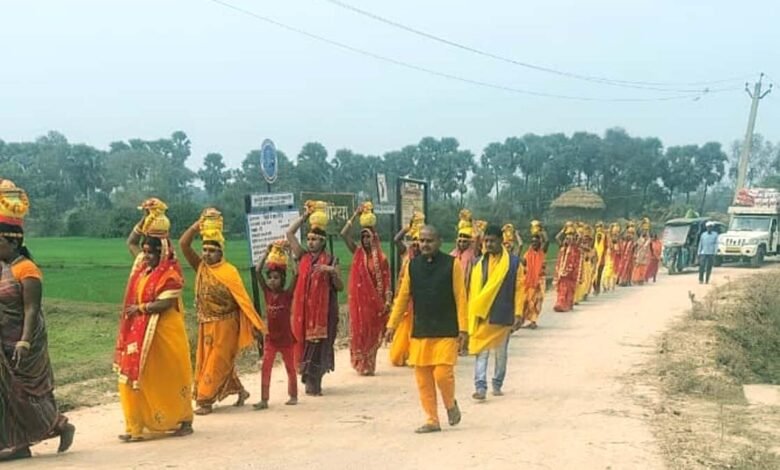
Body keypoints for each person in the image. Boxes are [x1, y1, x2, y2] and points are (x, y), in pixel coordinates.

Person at [0, 180, 75, 461]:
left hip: (23, 340)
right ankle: (18, 443)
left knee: (21, 393)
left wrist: (24, 341)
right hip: (3, 340)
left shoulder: (27, 270)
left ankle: (55, 426)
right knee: (7, 395)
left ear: (12, 241)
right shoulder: (3, 268)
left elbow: (32, 309)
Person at [115, 198, 193, 442]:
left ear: (162, 252)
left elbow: (166, 303)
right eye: (145, 251)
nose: (145, 255)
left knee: (169, 375)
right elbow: (131, 242)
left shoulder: (171, 272)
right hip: (139, 331)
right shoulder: (142, 266)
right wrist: (146, 220)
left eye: (151, 252)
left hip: (165, 333)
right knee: (135, 377)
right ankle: (135, 425)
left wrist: (140, 307)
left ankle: (183, 419)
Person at [179, 208, 267, 415]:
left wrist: (256, 327)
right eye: (205, 250)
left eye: (211, 251)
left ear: (221, 252)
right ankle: (240, 390)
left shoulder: (229, 272)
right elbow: (183, 244)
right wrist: (197, 224)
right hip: (206, 323)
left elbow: (243, 301)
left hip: (227, 324)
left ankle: (205, 400)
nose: (206, 254)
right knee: (210, 361)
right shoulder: (201, 267)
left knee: (216, 361)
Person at [385, 225, 467, 433]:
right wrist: (391, 325)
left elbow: (461, 297)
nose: (425, 244)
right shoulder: (413, 266)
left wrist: (464, 329)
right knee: (423, 379)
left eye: (429, 240)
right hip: (421, 330)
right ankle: (432, 419)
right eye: (421, 241)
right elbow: (402, 298)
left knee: (442, 374)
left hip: (446, 329)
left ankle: (450, 405)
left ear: (439, 242)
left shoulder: (452, 264)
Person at [287, 201, 344, 396]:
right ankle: (309, 378)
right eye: (309, 238)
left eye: (315, 239)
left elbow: (340, 287)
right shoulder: (302, 256)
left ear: (323, 242)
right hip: (303, 312)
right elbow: (289, 235)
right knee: (303, 344)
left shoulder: (331, 260)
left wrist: (331, 272)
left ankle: (315, 380)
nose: (310, 242)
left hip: (323, 313)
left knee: (318, 346)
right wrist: (304, 217)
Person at [467, 224, 525, 401]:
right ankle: (480, 387)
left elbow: (519, 288)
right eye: (486, 241)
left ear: (501, 241)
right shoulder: (479, 263)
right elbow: (472, 290)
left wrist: (518, 313)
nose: (489, 244)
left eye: (492, 241)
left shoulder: (514, 264)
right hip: (483, 314)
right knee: (481, 350)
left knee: (501, 353)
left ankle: (497, 383)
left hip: (503, 314)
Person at [340, 202, 392, 376]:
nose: (365, 240)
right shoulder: (357, 253)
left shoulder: (382, 258)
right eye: (363, 237)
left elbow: (386, 280)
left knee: (371, 331)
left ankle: (369, 363)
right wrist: (355, 215)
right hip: (359, 302)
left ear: (374, 237)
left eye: (368, 237)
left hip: (374, 302)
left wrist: (387, 300)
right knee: (359, 331)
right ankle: (360, 362)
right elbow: (343, 234)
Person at [254, 241, 298, 409]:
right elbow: (258, 271)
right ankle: (264, 399)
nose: (272, 281)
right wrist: (266, 253)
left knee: (290, 368)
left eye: (276, 278)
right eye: (270, 278)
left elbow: (296, 273)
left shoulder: (287, 295)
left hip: (286, 339)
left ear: (282, 279)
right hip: (271, 339)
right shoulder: (267, 293)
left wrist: (289, 254)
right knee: (266, 368)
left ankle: (293, 395)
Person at [388, 210, 424, 367]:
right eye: (413, 243)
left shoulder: (426, 259)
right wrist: (407, 228)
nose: (415, 246)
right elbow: (396, 240)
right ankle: (405, 353)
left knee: (417, 327)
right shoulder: (406, 255)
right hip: (405, 298)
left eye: (419, 243)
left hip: (420, 300)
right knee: (404, 328)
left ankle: (416, 354)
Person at [450, 209, 477, 356]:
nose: (461, 242)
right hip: (453, 294)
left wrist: (472, 223)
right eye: (459, 240)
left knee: (465, 319)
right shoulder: (452, 255)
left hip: (468, 293)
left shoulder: (473, 257)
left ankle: (464, 346)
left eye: (465, 240)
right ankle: (455, 345)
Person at [521, 224, 548, 329]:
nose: (534, 243)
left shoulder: (542, 252)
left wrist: (540, 231)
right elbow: (523, 264)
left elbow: (547, 241)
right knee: (528, 301)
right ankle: (523, 320)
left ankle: (533, 321)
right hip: (528, 281)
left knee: (538, 301)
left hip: (540, 281)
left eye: (536, 242)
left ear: (539, 243)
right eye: (532, 242)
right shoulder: (527, 254)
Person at [553, 222, 581, 312]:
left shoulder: (575, 247)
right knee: (562, 287)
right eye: (566, 239)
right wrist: (563, 230)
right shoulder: (562, 247)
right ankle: (560, 304)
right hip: (562, 270)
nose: (567, 240)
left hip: (571, 271)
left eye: (570, 239)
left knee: (570, 287)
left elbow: (579, 238)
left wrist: (575, 230)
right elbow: (557, 237)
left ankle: (568, 303)